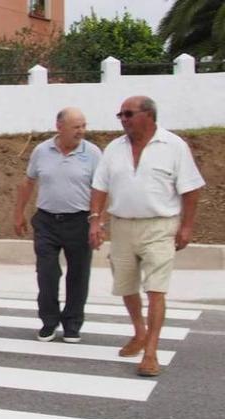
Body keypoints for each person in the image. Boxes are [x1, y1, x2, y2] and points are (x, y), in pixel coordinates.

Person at [89, 96, 204, 377]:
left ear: (149, 115)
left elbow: (191, 190)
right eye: (121, 115)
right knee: (126, 286)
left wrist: (187, 226)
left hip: (160, 225)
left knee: (155, 289)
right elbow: (99, 186)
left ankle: (151, 351)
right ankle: (139, 332)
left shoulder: (174, 146)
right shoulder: (114, 148)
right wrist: (95, 220)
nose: (123, 119)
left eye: (128, 114)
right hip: (122, 226)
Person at [14, 108, 102, 343]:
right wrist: (19, 213)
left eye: (83, 125)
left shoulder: (92, 153)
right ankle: (49, 322)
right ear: (60, 127)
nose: (81, 131)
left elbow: (100, 189)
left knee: (78, 275)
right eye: (76, 127)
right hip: (47, 222)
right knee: (47, 273)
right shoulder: (42, 150)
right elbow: (28, 182)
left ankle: (72, 324)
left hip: (79, 221)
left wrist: (96, 220)